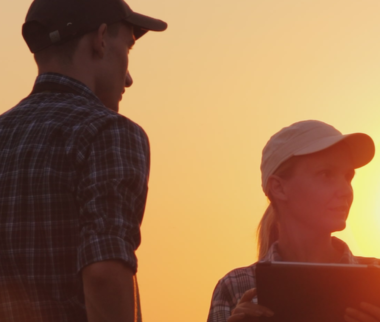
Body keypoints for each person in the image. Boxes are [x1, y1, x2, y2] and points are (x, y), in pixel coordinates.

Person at [0, 0, 167, 321]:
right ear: (101, 39)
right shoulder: (107, 131)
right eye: (128, 48)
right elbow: (104, 273)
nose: (129, 77)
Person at [207, 120, 380, 322]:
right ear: (279, 188)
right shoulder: (235, 286)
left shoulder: (376, 281)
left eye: (348, 177)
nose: (345, 191)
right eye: (326, 174)